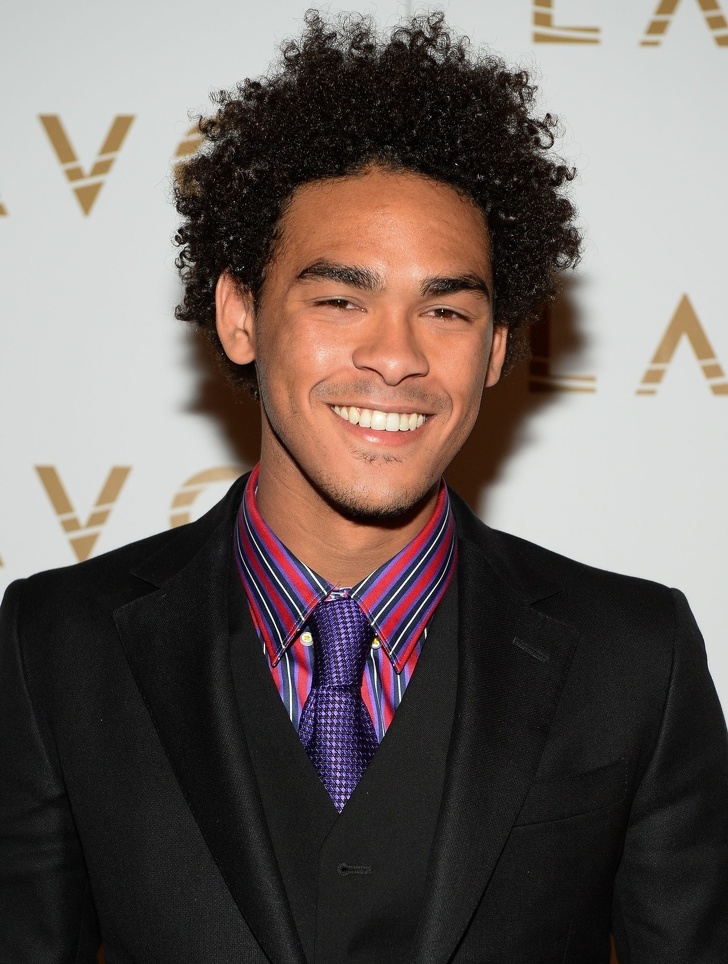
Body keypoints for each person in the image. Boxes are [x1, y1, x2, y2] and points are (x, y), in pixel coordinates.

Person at [1, 11, 727, 964]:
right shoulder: (58, 644)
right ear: (239, 315)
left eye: (447, 310)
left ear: (497, 348)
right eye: (341, 300)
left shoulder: (635, 657)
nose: (396, 356)